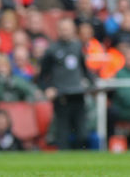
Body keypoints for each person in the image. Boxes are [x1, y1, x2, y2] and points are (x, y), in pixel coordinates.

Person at [39, 17, 94, 150]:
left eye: (68, 29)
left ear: (73, 30)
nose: (65, 32)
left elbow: (85, 70)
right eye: (63, 29)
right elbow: (42, 75)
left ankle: (81, 160)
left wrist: (93, 85)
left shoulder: (78, 47)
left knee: (82, 133)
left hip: (78, 95)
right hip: (61, 97)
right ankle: (63, 160)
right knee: (62, 134)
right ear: (58, 30)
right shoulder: (52, 50)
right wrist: (47, 88)